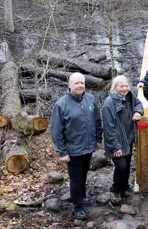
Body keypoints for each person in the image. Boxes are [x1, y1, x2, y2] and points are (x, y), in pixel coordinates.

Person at [50, 72, 103, 220]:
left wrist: (98, 139)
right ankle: (77, 207)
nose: (80, 85)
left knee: (84, 173)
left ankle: (82, 195)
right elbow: (56, 131)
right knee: (75, 178)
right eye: (77, 83)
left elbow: (97, 121)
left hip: (88, 146)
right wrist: (62, 152)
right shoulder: (61, 105)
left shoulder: (90, 99)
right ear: (69, 85)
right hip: (72, 150)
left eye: (82, 83)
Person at [102, 75, 143, 205]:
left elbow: (139, 103)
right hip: (117, 142)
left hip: (128, 138)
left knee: (127, 164)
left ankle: (124, 187)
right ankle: (115, 190)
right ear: (115, 88)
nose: (124, 89)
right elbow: (109, 128)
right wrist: (115, 147)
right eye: (121, 86)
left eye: (126, 86)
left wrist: (138, 112)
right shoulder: (109, 102)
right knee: (121, 166)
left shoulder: (130, 96)